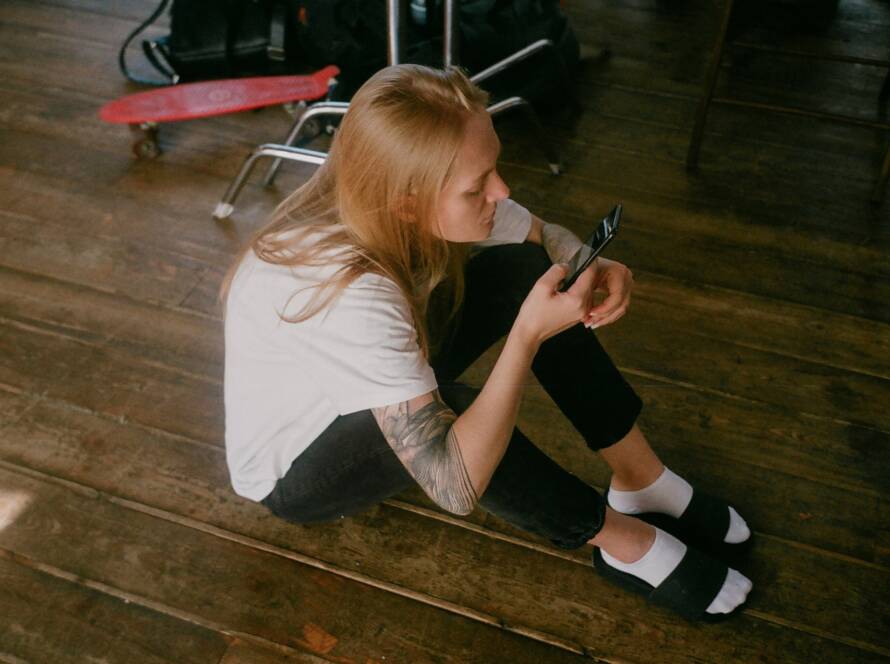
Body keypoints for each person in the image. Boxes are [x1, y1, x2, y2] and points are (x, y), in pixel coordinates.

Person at [221, 64, 753, 621]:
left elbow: (540, 236)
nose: (501, 191)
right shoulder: (348, 294)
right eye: (478, 187)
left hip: (385, 365)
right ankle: (627, 545)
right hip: (300, 468)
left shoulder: (389, 195)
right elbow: (455, 483)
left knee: (525, 269)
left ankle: (642, 478)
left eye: (493, 168)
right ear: (406, 202)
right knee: (460, 415)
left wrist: (586, 264)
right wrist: (526, 334)